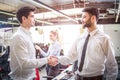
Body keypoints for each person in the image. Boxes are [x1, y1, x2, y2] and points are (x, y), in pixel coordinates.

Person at [51, 7, 118, 80]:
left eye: (84, 17)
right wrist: (57, 59)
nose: (81, 20)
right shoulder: (79, 38)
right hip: (78, 77)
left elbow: (112, 65)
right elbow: (70, 57)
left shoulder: (104, 39)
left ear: (93, 18)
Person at [9, 6, 54, 80]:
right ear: (24, 18)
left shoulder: (27, 36)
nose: (34, 19)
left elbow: (31, 59)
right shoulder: (18, 37)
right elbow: (25, 63)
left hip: (31, 77)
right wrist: (46, 60)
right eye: (32, 16)